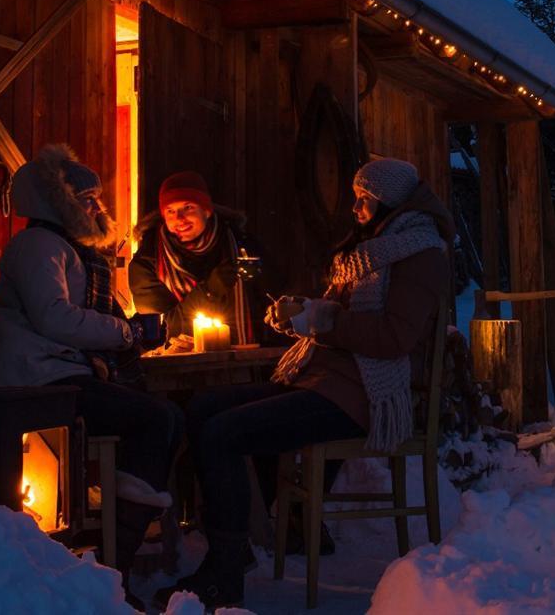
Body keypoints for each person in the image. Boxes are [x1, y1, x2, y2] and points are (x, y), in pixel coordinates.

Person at [159, 157, 453, 609]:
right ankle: (240, 539)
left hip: (364, 394)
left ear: (389, 202)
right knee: (203, 406)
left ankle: (224, 571)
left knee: (223, 433)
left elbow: (394, 337)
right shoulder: (375, 249)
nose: (355, 208)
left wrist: (321, 320)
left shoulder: (420, 254)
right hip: (325, 379)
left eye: (364, 199)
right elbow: (344, 316)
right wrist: (302, 311)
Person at [0, 144, 183, 601]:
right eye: (85, 199)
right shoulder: (39, 245)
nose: (95, 207)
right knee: (156, 418)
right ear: (59, 201)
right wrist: (126, 332)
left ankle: (116, 556)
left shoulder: (61, 248)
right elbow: (54, 317)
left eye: (96, 199)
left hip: (54, 372)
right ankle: (116, 569)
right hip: (36, 381)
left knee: (167, 415)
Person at [128, 171, 277, 346]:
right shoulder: (147, 262)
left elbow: (273, 299)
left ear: (206, 211)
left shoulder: (240, 246)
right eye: (170, 211)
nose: (179, 218)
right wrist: (210, 291)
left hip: (249, 356)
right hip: (181, 359)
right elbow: (159, 331)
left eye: (188, 207)